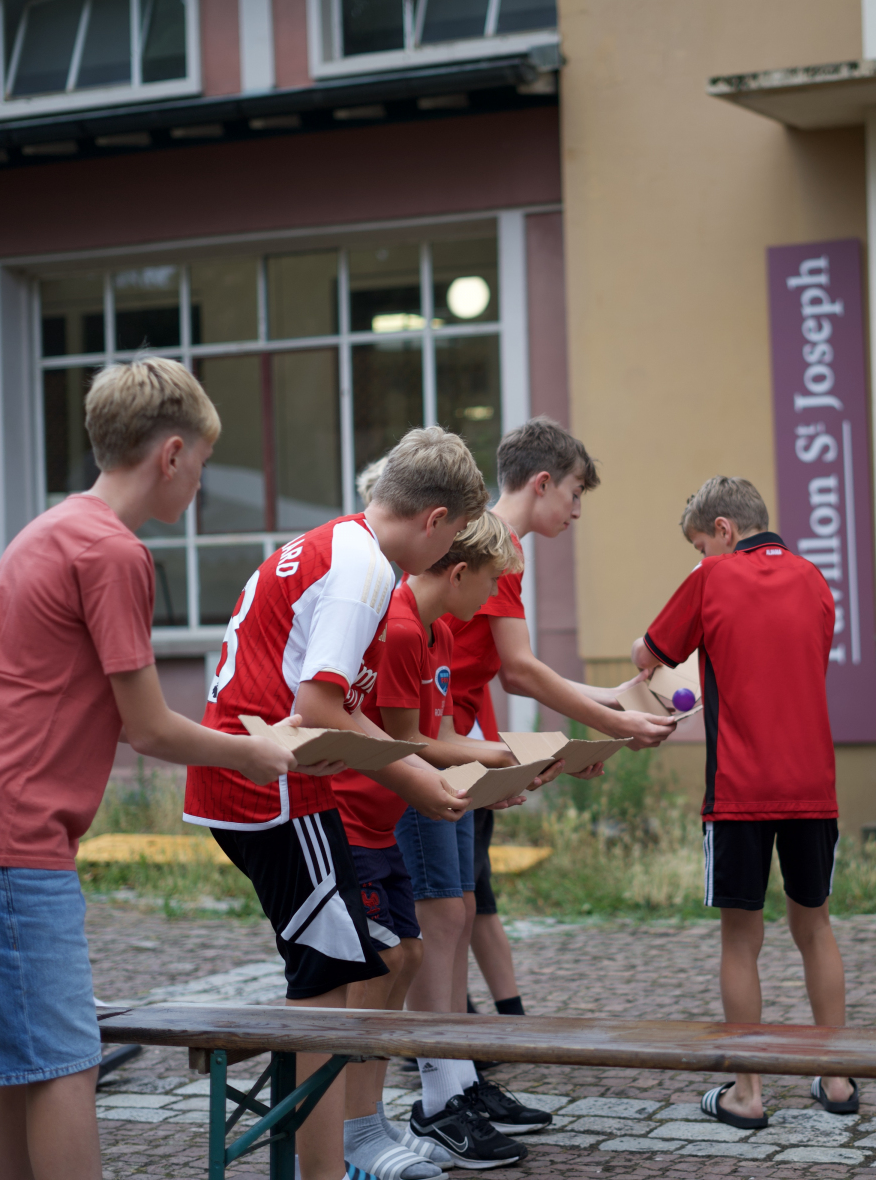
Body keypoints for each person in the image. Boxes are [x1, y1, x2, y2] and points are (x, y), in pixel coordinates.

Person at [0, 358, 298, 1180]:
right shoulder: (113, 552)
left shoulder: (53, 527)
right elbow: (147, 728)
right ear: (172, 454)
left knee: (12, 1068)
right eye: (203, 463)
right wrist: (254, 752)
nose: (200, 480)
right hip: (5, 832)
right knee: (62, 1065)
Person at [184, 425, 489, 1180]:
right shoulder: (364, 568)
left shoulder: (338, 544)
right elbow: (318, 705)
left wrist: (421, 772)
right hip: (273, 790)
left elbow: (329, 701)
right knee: (326, 987)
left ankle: (349, 1141)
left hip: (270, 783)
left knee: (354, 968)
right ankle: (328, 1162)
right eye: (455, 534)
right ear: (436, 520)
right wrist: (420, 782)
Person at [629, 476, 854, 1129]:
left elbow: (648, 655)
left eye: (701, 544)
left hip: (739, 789)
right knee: (815, 927)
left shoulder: (710, 579)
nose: (701, 556)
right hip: (813, 787)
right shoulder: (815, 579)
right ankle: (837, 1078)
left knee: (740, 939)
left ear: (723, 530)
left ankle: (748, 1093)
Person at [442, 419, 674, 1052]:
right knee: (447, 913)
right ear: (541, 483)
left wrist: (612, 700)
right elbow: (520, 672)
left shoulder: (492, 543)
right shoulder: (499, 551)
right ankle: (448, 1057)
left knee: (461, 906)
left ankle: (465, 1052)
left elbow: (514, 671)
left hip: (459, 735)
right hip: (438, 742)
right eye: (574, 493)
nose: (576, 511)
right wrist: (612, 721)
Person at [332, 512, 544, 1177]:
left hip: (427, 791)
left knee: (445, 923)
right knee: (429, 931)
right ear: (457, 572)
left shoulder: (442, 629)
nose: (494, 598)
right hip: (389, 805)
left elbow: (443, 733)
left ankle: (447, 1086)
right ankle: (433, 1097)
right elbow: (408, 744)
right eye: (491, 583)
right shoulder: (400, 628)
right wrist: (501, 758)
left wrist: (498, 769)